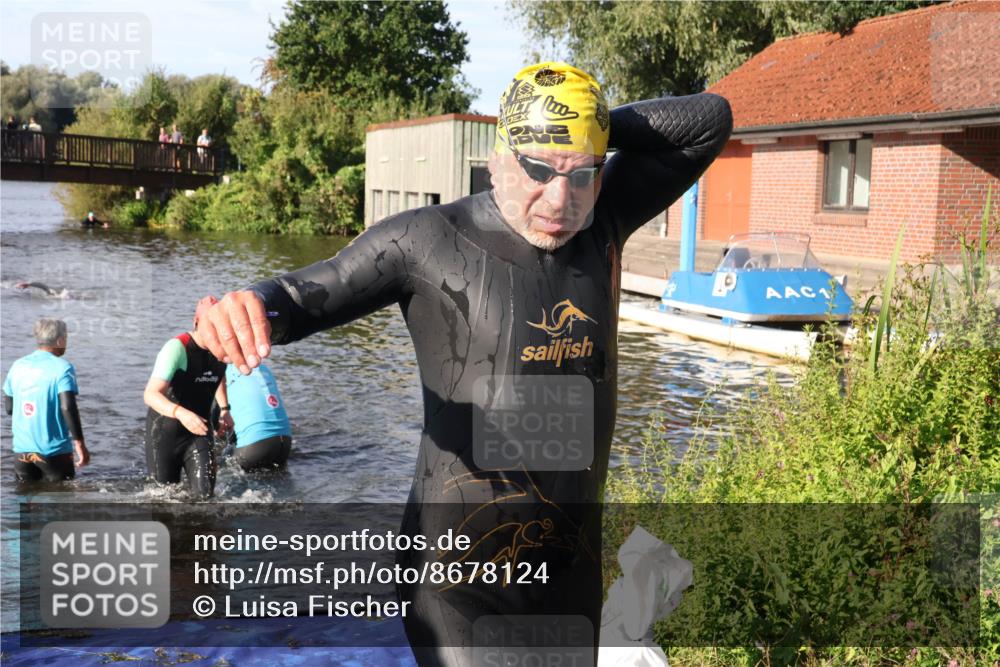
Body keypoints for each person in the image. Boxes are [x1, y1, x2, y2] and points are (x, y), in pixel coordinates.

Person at [193, 62, 732, 665]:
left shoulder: (602, 220)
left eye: (583, 173)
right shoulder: (428, 240)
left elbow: (708, 122)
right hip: (456, 579)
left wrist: (592, 127)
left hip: (569, 574)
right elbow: (306, 292)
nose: (561, 200)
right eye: (539, 170)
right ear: (498, 158)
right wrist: (251, 306)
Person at [143, 296, 232, 498]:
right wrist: (181, 413)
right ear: (197, 322)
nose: (215, 333)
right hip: (164, 434)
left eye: (219, 327)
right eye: (210, 327)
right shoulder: (177, 347)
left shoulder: (223, 348)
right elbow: (150, 394)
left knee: (205, 497)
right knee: (164, 500)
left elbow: (218, 375)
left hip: (200, 431)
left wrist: (225, 409)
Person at [3, 319, 90, 482]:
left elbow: (9, 408)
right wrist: (80, 444)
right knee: (60, 496)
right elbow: (67, 407)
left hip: (22, 451)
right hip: (54, 452)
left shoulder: (17, 366)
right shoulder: (63, 368)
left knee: (26, 495)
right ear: (60, 340)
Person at [224, 362, 292, 470]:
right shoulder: (263, 367)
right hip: (285, 444)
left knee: (223, 458)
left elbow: (218, 420)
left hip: (254, 449)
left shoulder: (222, 371)